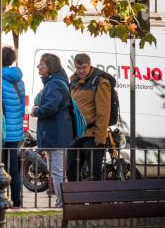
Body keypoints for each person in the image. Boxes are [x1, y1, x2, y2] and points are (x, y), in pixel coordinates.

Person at [30, 53, 73, 207]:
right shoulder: (54, 82)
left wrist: (36, 111)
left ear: (50, 67)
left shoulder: (55, 84)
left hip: (56, 135)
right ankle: (62, 202)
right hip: (55, 134)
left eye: (41, 64)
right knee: (56, 172)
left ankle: (62, 204)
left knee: (57, 172)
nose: (38, 67)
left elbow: (51, 107)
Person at [67, 52, 112, 182]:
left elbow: (103, 112)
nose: (81, 71)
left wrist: (100, 138)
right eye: (78, 68)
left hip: (92, 136)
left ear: (90, 65)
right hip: (76, 135)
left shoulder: (100, 82)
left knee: (94, 173)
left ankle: (96, 201)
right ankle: (75, 202)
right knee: (71, 171)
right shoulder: (74, 82)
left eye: (84, 67)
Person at [2, 45, 26, 208]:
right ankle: (17, 201)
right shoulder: (20, 81)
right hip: (16, 132)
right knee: (14, 169)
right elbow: (22, 106)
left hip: (2, 132)